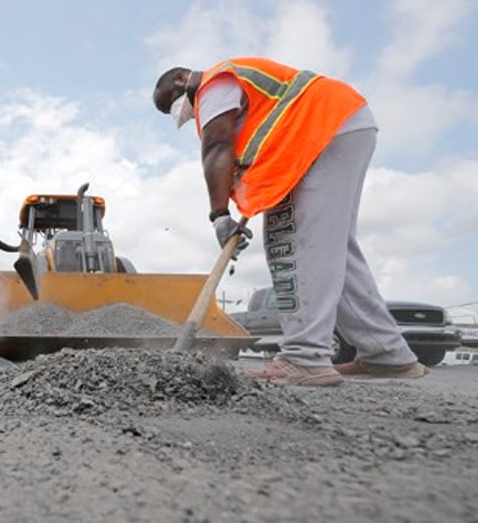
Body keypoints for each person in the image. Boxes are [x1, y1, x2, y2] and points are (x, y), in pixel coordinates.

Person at [153, 57, 428, 386]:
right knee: (330, 247)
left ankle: (305, 357)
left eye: (172, 101)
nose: (184, 110)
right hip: (340, 125)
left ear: (183, 79)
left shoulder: (215, 84)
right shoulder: (246, 97)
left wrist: (219, 214)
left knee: (292, 241)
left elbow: (216, 145)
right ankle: (387, 354)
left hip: (323, 131)